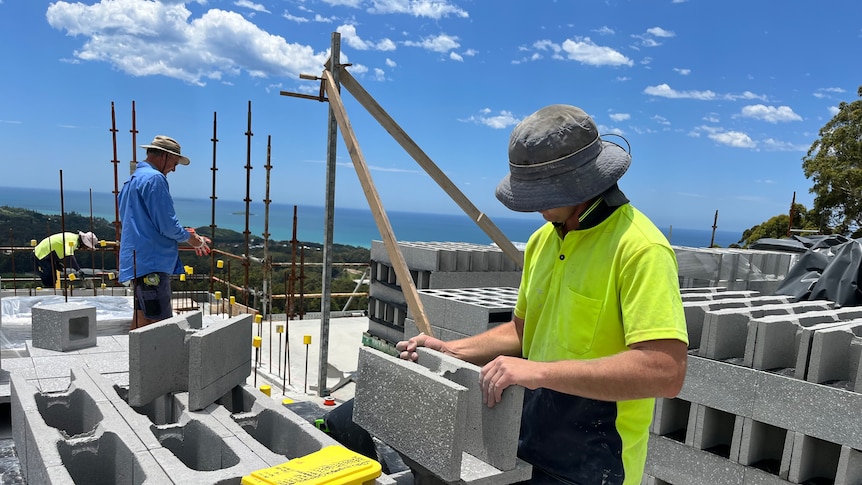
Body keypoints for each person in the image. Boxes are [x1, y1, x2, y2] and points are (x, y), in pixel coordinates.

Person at [396, 105, 689, 485]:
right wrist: (451, 350)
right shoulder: (542, 241)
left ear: (580, 183)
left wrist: (539, 372)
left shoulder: (640, 248)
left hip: (597, 461)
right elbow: (523, 332)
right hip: (531, 440)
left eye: (543, 194)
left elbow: (665, 371)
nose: (534, 205)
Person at [118, 135, 211, 328]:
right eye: (174, 163)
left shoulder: (132, 180)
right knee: (159, 325)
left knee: (141, 319)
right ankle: (159, 359)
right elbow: (167, 224)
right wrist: (191, 238)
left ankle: (138, 359)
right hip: (152, 263)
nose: (174, 169)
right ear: (164, 156)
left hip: (136, 261)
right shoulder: (155, 179)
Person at [33, 231, 98, 288]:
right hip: (40, 255)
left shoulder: (72, 238)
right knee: (49, 278)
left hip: (47, 256)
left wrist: (57, 262)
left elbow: (58, 249)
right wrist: (78, 270)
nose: (86, 249)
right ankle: (49, 296)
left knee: (53, 278)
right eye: (87, 246)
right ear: (84, 242)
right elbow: (69, 256)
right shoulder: (73, 241)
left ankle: (51, 295)